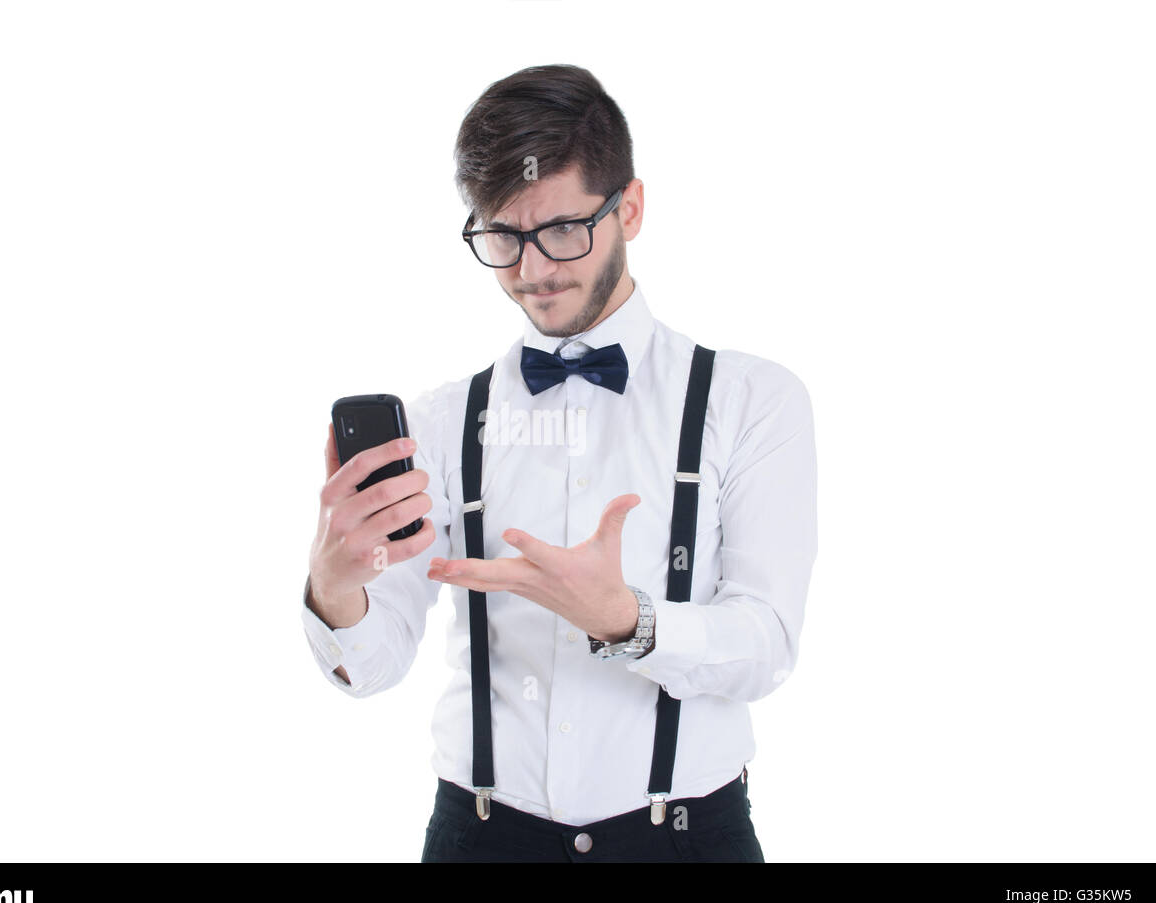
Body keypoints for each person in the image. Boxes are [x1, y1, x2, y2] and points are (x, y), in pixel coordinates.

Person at [302, 64, 817, 862]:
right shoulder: (440, 422)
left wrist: (627, 619)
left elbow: (767, 642)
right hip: (479, 837)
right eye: (503, 237)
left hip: (685, 839)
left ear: (631, 209)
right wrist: (335, 590)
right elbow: (371, 667)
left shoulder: (752, 401)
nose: (534, 270)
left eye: (563, 231)